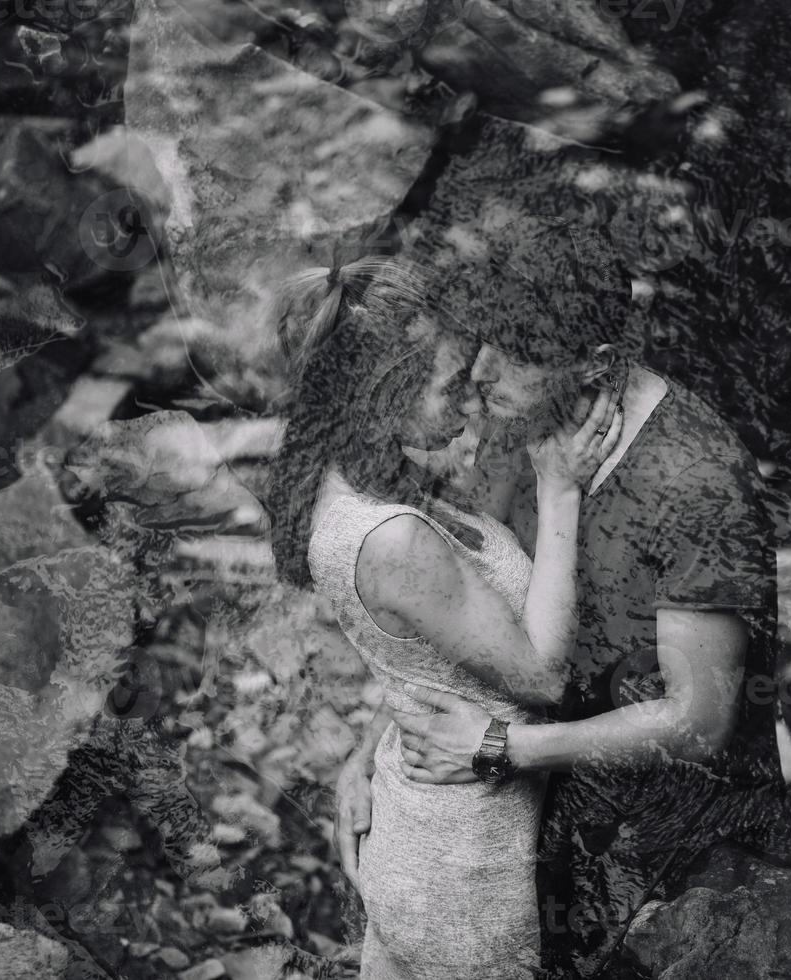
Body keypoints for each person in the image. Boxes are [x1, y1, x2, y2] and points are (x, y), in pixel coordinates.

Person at [383, 214, 784, 977]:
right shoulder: (514, 413)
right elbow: (464, 597)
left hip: (674, 838)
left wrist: (502, 750)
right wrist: (377, 756)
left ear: (598, 363)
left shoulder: (692, 481)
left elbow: (698, 723)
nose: (480, 372)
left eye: (518, 355)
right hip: (550, 792)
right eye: (482, 340)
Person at [264, 256, 622, 979]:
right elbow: (545, 675)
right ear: (380, 396)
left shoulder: (363, 474)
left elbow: (422, 653)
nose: (472, 398)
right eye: (451, 383)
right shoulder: (390, 536)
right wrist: (560, 494)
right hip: (466, 879)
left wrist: (361, 757)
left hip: (417, 832)